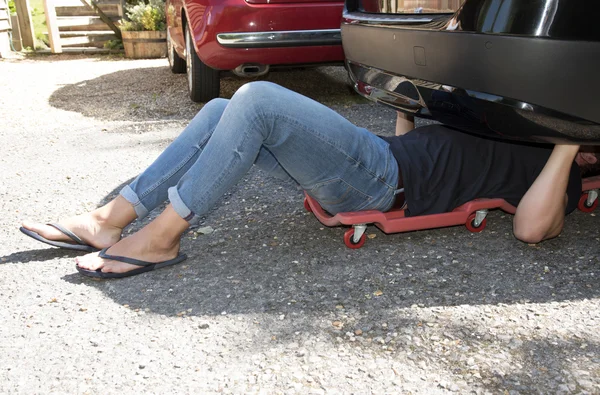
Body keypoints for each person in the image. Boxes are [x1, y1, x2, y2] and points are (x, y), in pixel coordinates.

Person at [20, 82, 598, 279]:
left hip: (382, 182)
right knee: (226, 112)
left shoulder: (560, 173)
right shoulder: (516, 127)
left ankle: (162, 236)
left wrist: (567, 140)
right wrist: (409, 104)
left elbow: (530, 228)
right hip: (380, 157)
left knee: (259, 99)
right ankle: (108, 219)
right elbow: (434, 143)